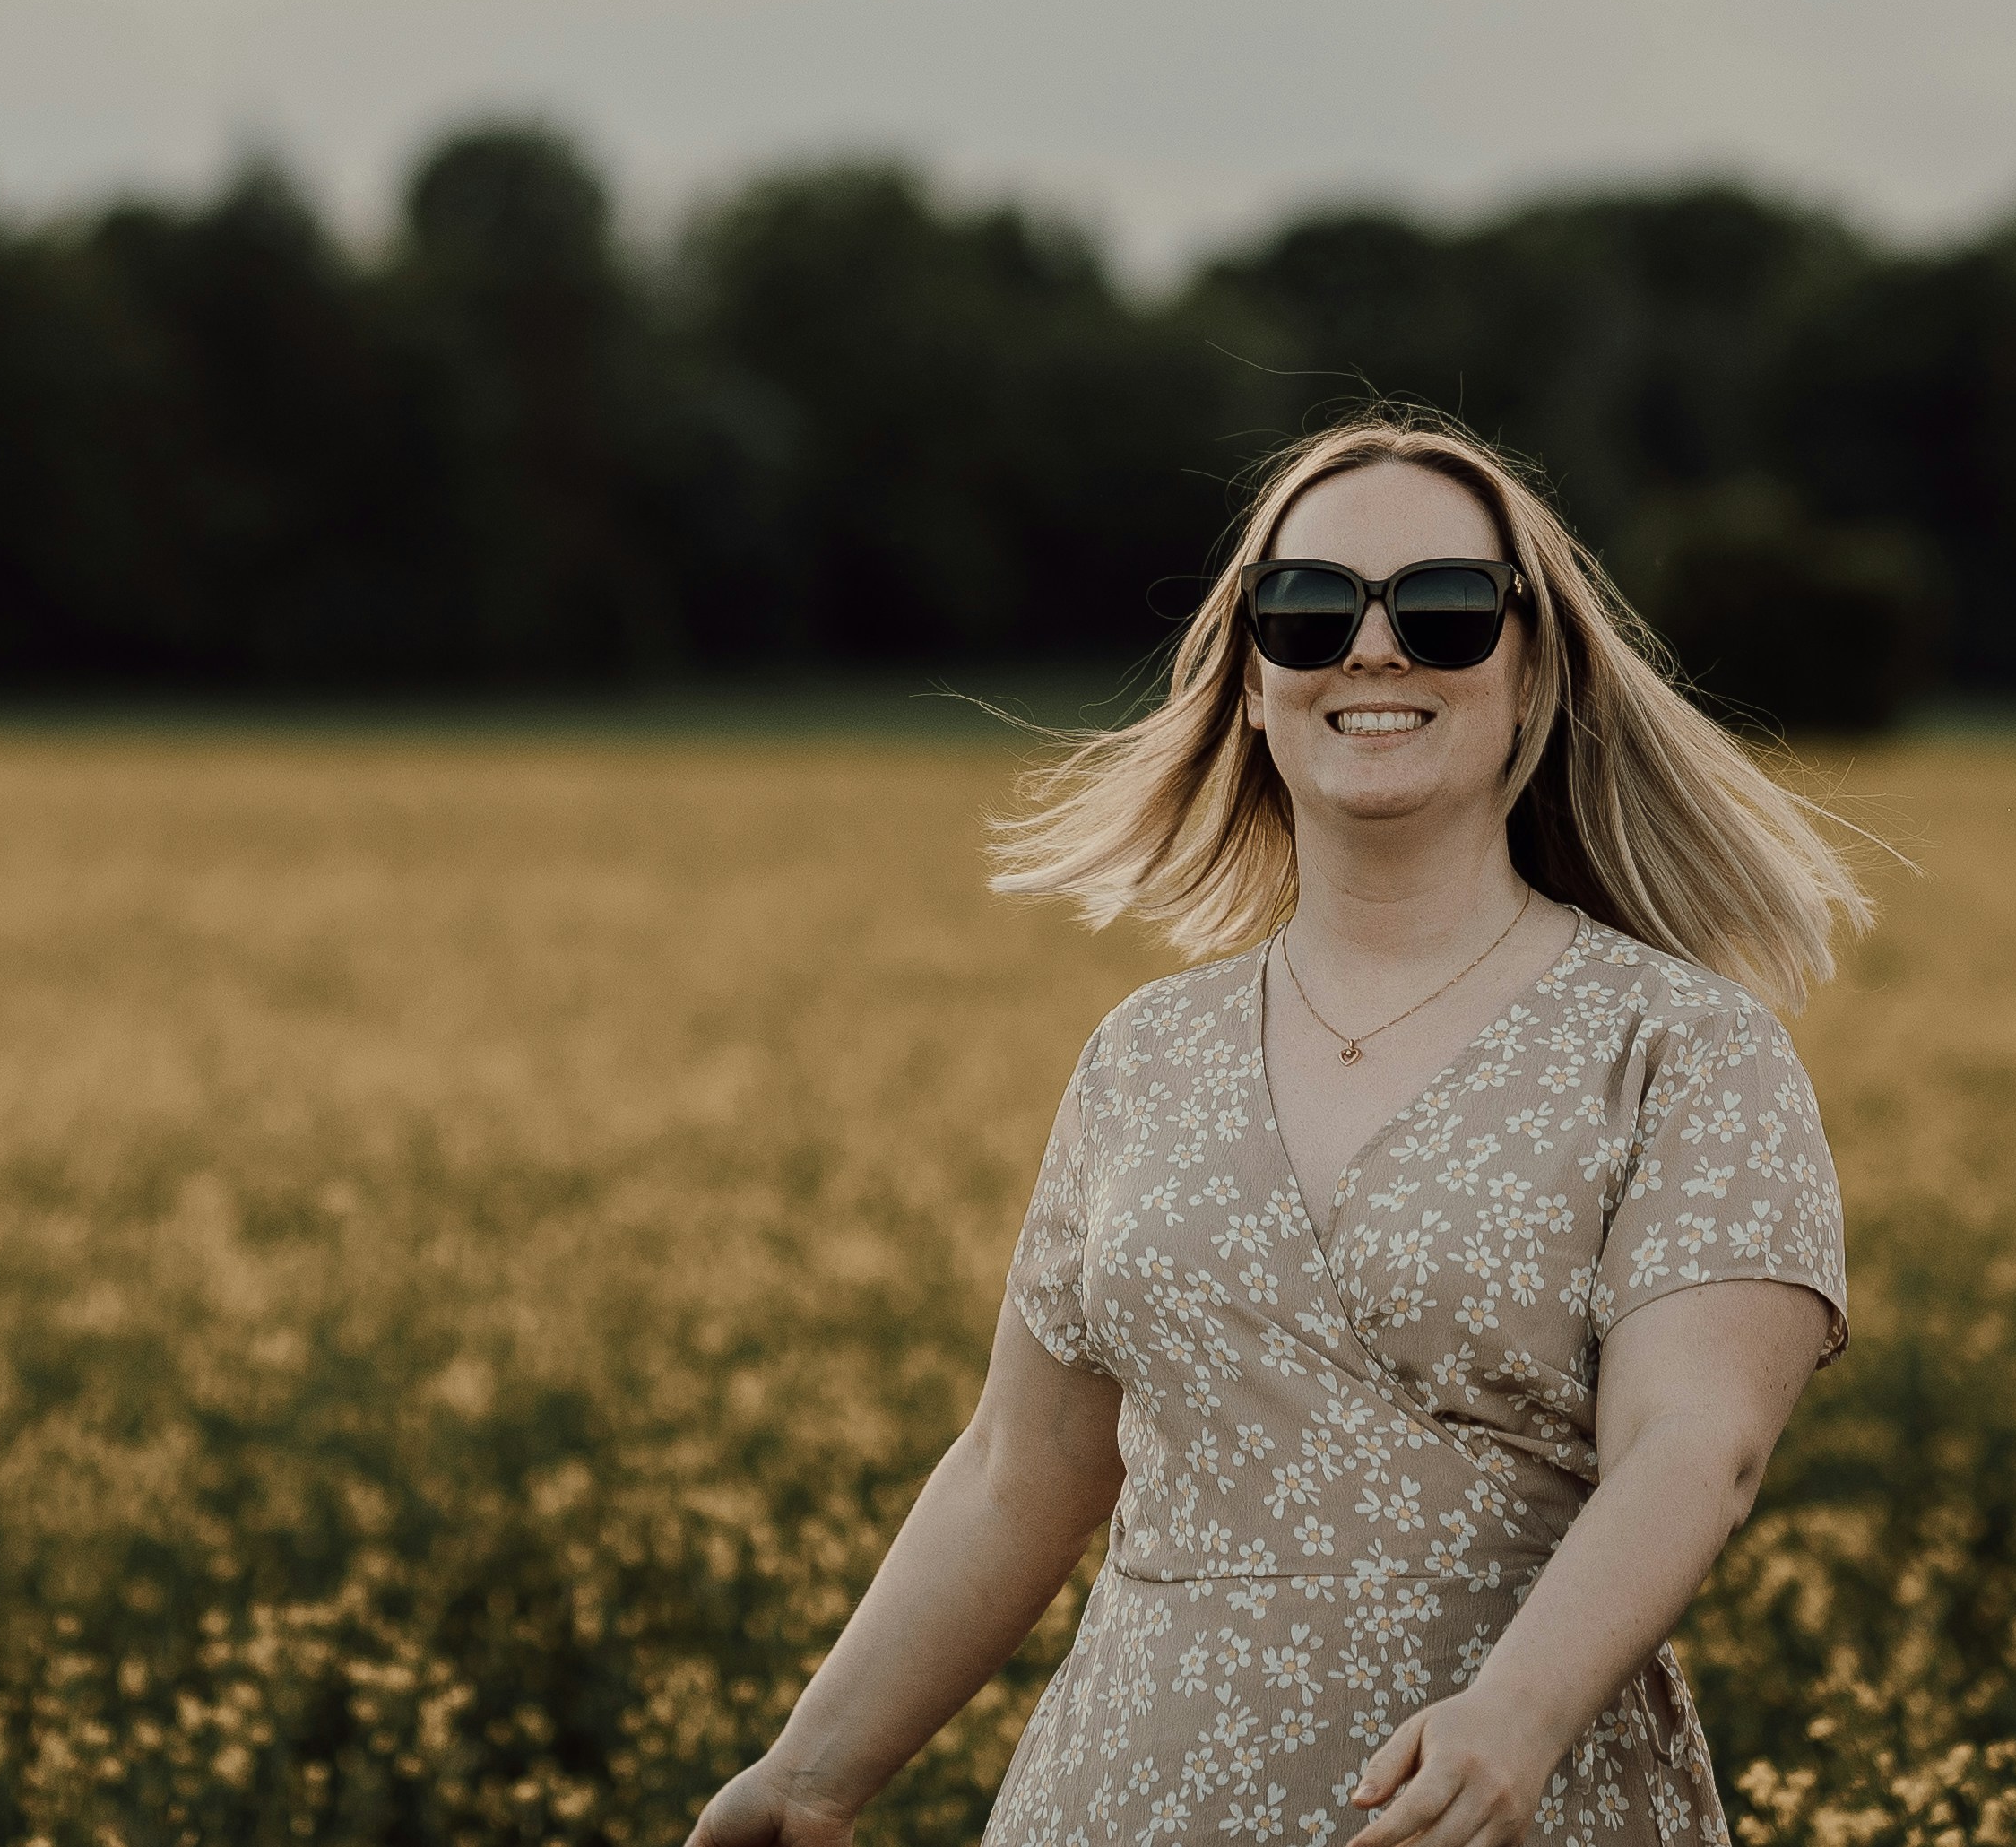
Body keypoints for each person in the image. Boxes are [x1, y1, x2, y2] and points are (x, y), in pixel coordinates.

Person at [689, 412, 1873, 1847]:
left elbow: (1696, 1443)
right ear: (1253, 681)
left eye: (1440, 608)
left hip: (1506, 1811)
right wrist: (809, 1775)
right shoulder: (1143, 1055)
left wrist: (1520, 1715)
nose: (1371, 649)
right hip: (1117, 1807)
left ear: (1532, 672)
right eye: (1308, 609)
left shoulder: (1681, 1048)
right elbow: (1016, 1467)